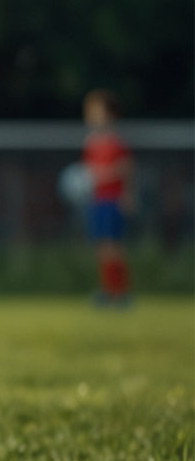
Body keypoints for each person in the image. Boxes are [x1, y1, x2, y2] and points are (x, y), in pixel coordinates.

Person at [82, 88, 134, 308]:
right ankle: (107, 290)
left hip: (113, 199)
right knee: (102, 249)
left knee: (113, 248)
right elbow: (88, 172)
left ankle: (121, 293)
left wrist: (126, 194)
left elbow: (126, 169)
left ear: (110, 114)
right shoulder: (91, 143)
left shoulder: (115, 142)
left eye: (97, 111)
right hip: (98, 200)